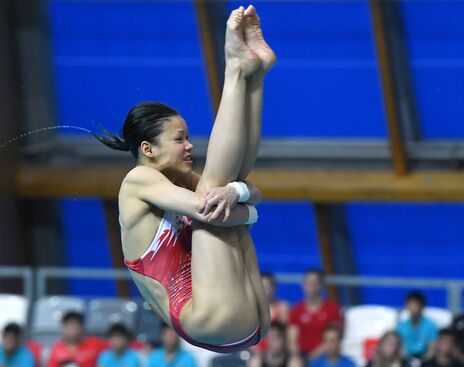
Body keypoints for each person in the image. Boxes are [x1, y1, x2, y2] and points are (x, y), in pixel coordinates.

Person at [93, 4, 276, 353]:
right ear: (148, 149)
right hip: (208, 319)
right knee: (213, 192)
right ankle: (236, 70)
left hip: (243, 319)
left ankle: (255, 75)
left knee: (226, 183)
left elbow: (253, 194)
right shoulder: (137, 181)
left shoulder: (177, 182)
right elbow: (211, 210)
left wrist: (239, 194)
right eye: (179, 140)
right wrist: (243, 206)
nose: (190, 146)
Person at [288, 269, 343, 360]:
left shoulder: (332, 309)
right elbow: (292, 339)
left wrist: (315, 355)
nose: (311, 286)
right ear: (303, 285)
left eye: (314, 283)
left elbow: (333, 337)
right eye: (308, 282)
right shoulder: (297, 310)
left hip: (325, 355)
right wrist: (296, 357)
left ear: (322, 285)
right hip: (301, 356)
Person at [254, 273, 290, 353]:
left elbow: (286, 333)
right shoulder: (253, 310)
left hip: (277, 350)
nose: (262, 291)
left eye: (265, 287)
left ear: (274, 288)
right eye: (260, 288)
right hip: (256, 351)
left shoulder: (283, 307)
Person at [397, 291, 438, 359]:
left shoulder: (431, 326)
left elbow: (432, 349)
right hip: (405, 359)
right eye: (410, 304)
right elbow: (400, 348)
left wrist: (423, 362)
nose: (413, 307)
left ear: (422, 306)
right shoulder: (401, 326)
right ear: (406, 306)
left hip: (425, 360)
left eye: (416, 304)